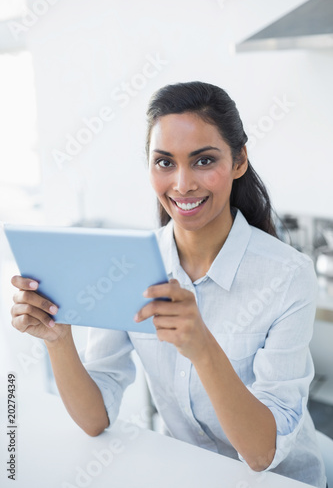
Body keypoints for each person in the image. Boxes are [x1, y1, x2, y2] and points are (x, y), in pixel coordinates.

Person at [11, 81, 326, 487]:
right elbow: (95, 419)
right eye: (164, 163)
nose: (182, 184)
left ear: (239, 161)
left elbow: (262, 454)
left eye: (203, 161)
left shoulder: (288, 276)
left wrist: (204, 350)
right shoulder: (128, 266)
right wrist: (57, 338)